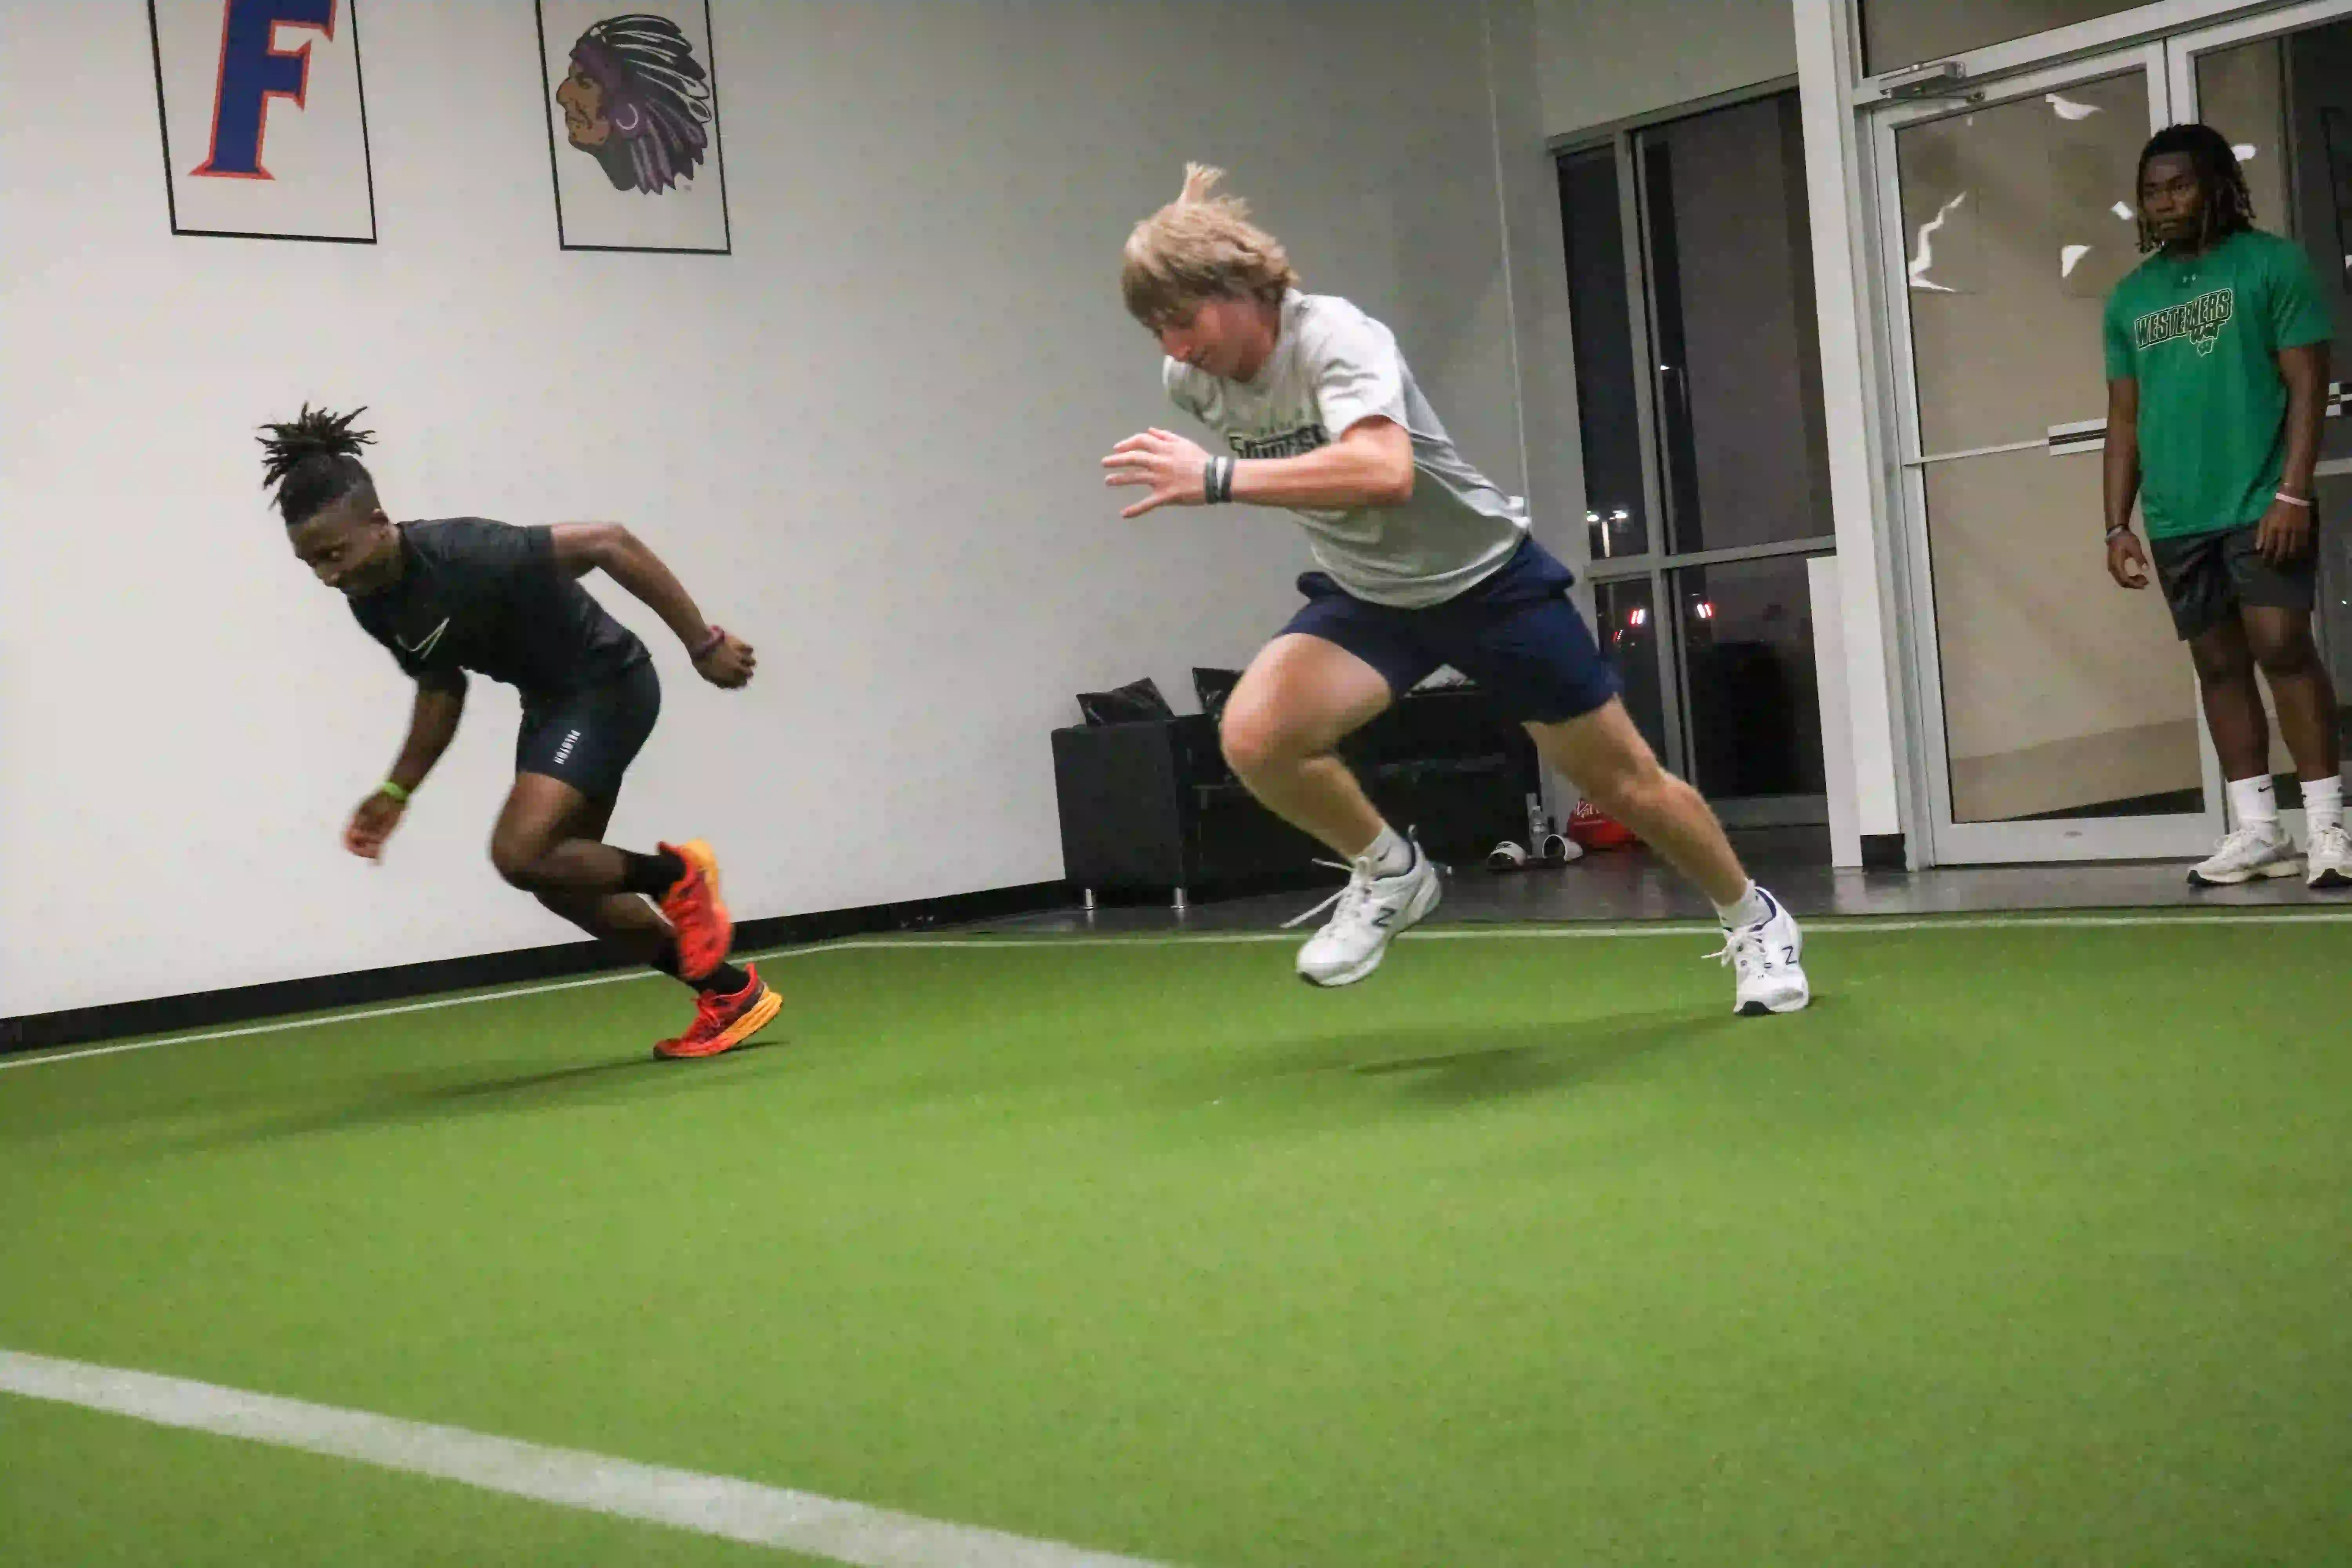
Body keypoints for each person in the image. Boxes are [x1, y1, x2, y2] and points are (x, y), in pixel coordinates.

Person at [1101, 165, 1808, 1014]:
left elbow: (1383, 471)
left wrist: (1217, 478)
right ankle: (1391, 873)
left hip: (1487, 584)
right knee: (1258, 737)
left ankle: (1754, 916)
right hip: (1370, 596)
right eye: (1155, 331)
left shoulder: (1336, 336)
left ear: (1239, 285)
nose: (1175, 347)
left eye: (1183, 319)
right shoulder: (1195, 382)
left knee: (1628, 784)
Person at [260, 405, 780, 1057]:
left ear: (376, 522)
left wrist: (702, 644)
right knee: (560, 880)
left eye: (333, 553)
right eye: (311, 563)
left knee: (518, 854)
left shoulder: (468, 551)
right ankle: (729, 993)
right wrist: (396, 793)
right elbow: (443, 687)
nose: (328, 575)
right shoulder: (372, 601)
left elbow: (610, 542)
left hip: (607, 685)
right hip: (552, 706)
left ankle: (676, 875)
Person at [2103, 125, 2343, 888]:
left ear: (2216, 185)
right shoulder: (2131, 298)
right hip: (2178, 515)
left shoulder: (2272, 265)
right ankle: (2260, 830)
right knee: (2217, 665)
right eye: (2151, 190)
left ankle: (2331, 827)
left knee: (2282, 646)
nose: (2164, 202)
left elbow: (2310, 385)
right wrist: (2116, 523)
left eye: (2178, 185)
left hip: (2263, 500)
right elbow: (2123, 418)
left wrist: (2294, 490)